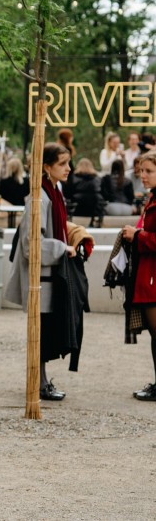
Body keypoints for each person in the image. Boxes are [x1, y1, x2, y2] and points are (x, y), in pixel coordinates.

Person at [5, 143, 82, 401]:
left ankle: (42, 381)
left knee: (46, 332)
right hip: (43, 278)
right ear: (47, 167)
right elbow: (31, 244)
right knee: (42, 333)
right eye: (62, 163)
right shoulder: (40, 197)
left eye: (68, 163)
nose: (68, 168)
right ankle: (39, 384)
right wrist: (63, 247)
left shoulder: (51, 193)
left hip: (49, 276)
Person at [122, 150, 156, 400]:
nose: (142, 176)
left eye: (148, 171)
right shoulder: (151, 199)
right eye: (141, 171)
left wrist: (138, 236)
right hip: (148, 276)